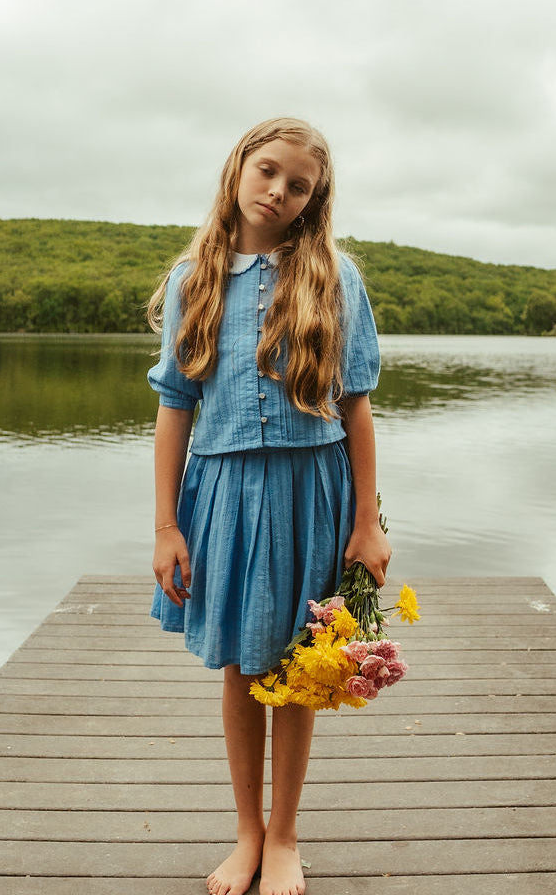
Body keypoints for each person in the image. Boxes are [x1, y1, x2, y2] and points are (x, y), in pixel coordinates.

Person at [147, 117, 391, 895]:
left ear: (314, 201)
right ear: (238, 167)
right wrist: (165, 527)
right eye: (268, 172)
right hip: (220, 493)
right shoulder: (196, 279)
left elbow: (355, 408)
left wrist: (368, 523)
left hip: (312, 491)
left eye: (299, 185)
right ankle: (246, 833)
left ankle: (285, 834)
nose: (279, 191)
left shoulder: (332, 277)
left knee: (298, 665)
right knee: (238, 663)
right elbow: (174, 409)